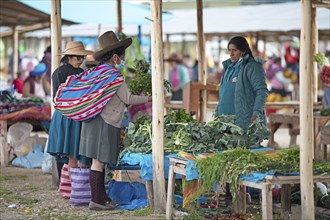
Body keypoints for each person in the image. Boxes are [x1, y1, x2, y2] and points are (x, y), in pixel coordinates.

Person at [77, 31, 152, 210]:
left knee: (97, 162)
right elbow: (128, 98)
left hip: (92, 121)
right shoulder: (114, 76)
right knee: (98, 162)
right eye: (122, 56)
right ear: (116, 57)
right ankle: (97, 201)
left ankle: (101, 199)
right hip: (105, 122)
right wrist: (149, 98)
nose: (124, 59)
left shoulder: (97, 72)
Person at [47, 41, 94, 182]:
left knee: (73, 150)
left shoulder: (82, 72)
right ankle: (65, 184)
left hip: (77, 116)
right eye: (78, 58)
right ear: (68, 57)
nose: (81, 61)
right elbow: (57, 98)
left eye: (82, 58)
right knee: (65, 150)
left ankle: (75, 185)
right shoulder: (59, 73)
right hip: (65, 116)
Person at [215, 36, 268, 130]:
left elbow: (261, 91)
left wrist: (256, 112)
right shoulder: (228, 68)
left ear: (243, 51)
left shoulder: (252, 67)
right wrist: (217, 112)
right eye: (229, 50)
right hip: (224, 122)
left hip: (243, 122)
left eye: (234, 50)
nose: (231, 54)